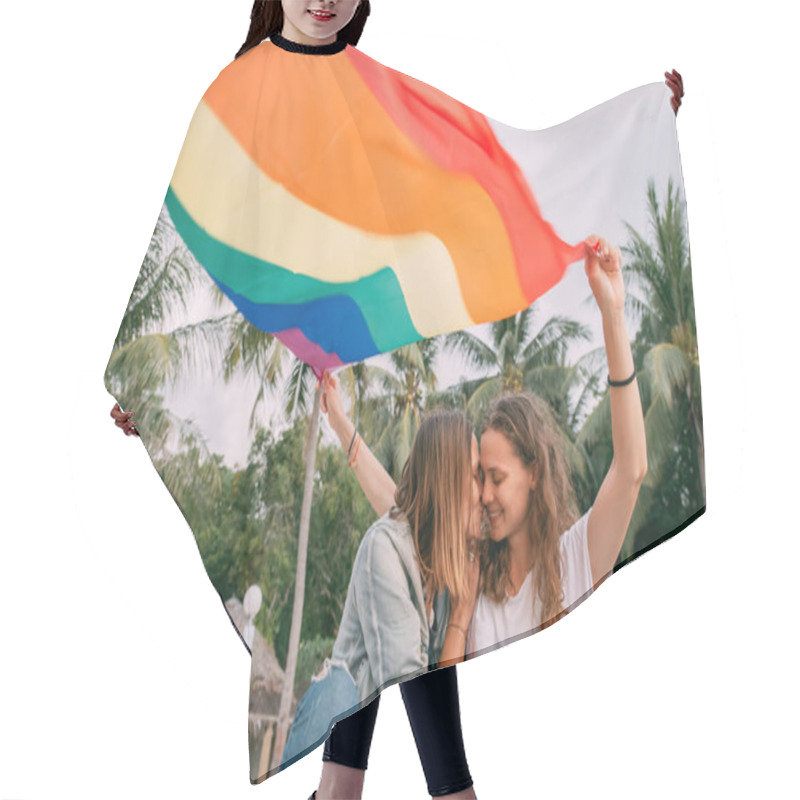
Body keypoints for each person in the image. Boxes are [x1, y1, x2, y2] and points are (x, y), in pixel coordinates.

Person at [109, 3, 683, 798]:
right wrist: (156, 391)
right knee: (399, 583)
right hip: (318, 423)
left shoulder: (373, 95)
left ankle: (350, 790)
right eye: (477, 479)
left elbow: (477, 179)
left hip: (403, 558)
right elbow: (199, 263)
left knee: (401, 577)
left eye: (489, 479)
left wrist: (638, 126)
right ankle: (372, 790)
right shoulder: (235, 98)